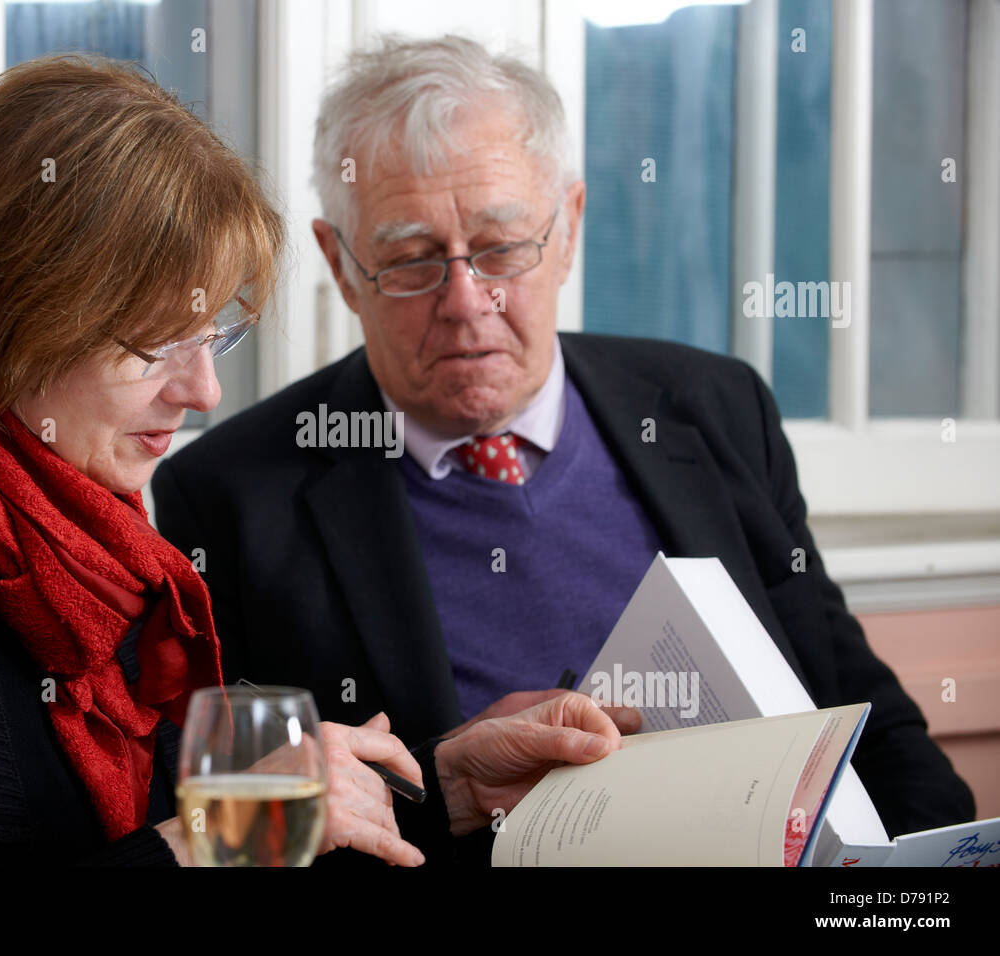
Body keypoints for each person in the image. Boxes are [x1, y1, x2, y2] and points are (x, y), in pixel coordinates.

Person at [0, 54, 636, 867]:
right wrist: (213, 839)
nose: (203, 394)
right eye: (152, 345)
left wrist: (449, 785)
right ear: (7, 324)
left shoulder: (110, 547)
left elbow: (269, 841)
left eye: (213, 335)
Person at [151, 34, 976, 843]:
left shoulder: (714, 409)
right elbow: (244, 832)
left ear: (570, 228)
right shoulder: (231, 493)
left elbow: (868, 721)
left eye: (502, 248)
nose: (467, 301)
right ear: (340, 264)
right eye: (410, 260)